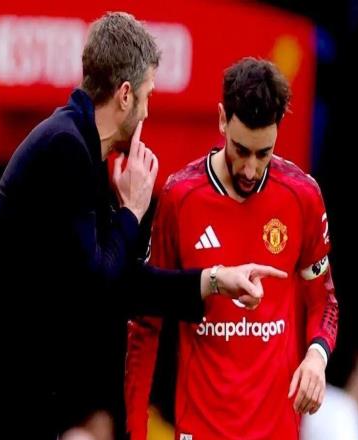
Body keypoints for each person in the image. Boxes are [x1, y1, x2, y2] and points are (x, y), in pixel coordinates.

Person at [0, 13, 286, 440]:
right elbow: (98, 284)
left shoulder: (81, 151)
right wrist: (131, 211)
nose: (149, 110)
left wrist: (213, 281)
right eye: (148, 95)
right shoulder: (65, 147)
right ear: (126, 95)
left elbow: (119, 281)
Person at [125, 57, 339, 440]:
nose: (251, 169)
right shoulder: (180, 198)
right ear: (223, 120)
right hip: (200, 429)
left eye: (263, 153)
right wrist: (135, 433)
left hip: (276, 432)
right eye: (241, 150)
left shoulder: (302, 197)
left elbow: (324, 300)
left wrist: (316, 355)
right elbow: (146, 323)